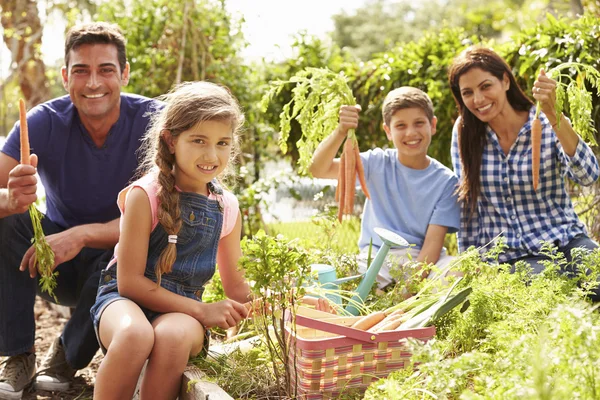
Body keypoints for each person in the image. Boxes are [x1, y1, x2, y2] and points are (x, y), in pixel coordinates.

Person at [0, 22, 160, 399]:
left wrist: (83, 234)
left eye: (105, 69)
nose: (93, 83)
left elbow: (169, 210)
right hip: (51, 262)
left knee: (135, 246)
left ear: (124, 73)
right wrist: (10, 200)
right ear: (64, 77)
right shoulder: (42, 121)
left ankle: (65, 358)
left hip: (122, 263)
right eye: (80, 71)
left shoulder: (156, 121)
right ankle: (19, 354)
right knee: (6, 222)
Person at [90, 81, 253, 400]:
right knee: (135, 335)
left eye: (222, 143)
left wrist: (286, 301)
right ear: (171, 140)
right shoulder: (145, 195)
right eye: (198, 141)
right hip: (124, 302)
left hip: (183, 314)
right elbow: (130, 283)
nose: (212, 154)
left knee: (173, 336)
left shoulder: (225, 206)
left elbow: (238, 290)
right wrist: (203, 310)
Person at [448, 46, 600, 284]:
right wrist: (469, 265)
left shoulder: (545, 120)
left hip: (567, 240)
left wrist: (554, 114)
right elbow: (469, 207)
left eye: (486, 86)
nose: (478, 100)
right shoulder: (465, 132)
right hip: (514, 257)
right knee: (552, 291)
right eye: (467, 92)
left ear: (505, 81)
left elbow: (589, 175)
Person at [309, 86, 461, 291]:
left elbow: (432, 246)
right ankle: (377, 296)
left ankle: (390, 298)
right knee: (325, 279)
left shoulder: (446, 181)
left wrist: (407, 291)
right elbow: (319, 169)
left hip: (421, 260)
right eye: (400, 125)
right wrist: (341, 131)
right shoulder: (376, 162)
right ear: (388, 131)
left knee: (458, 272)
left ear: (432, 125)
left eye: (419, 123)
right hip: (375, 259)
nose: (411, 132)